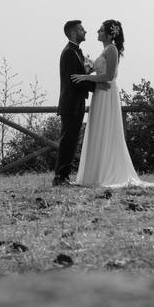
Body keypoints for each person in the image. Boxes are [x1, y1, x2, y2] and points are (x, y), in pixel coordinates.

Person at [71, 20, 154, 188]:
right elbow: (100, 70)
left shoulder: (112, 49)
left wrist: (86, 77)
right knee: (97, 129)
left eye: (100, 30)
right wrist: (89, 66)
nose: (97, 32)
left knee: (107, 130)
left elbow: (109, 76)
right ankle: (94, 174)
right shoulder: (105, 50)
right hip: (99, 94)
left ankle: (110, 173)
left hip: (108, 94)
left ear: (109, 33)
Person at [53, 20, 97, 186]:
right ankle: (60, 177)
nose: (85, 31)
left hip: (75, 103)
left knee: (71, 141)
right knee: (68, 141)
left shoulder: (75, 51)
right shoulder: (70, 53)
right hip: (70, 103)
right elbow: (74, 80)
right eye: (81, 29)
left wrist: (88, 73)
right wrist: (99, 86)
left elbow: (80, 76)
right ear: (73, 32)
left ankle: (63, 176)